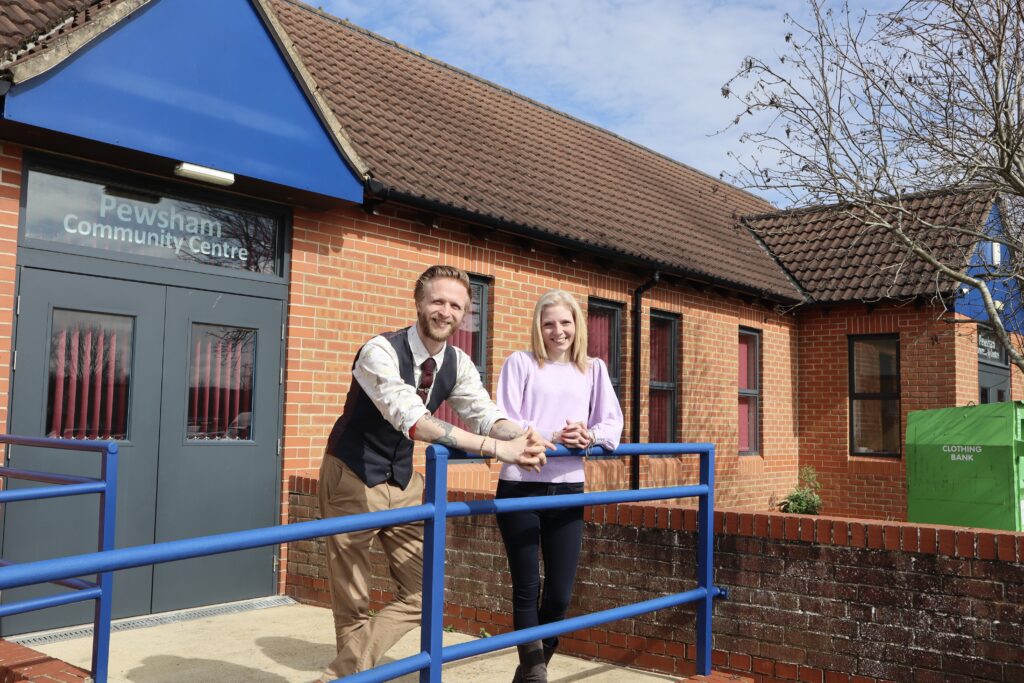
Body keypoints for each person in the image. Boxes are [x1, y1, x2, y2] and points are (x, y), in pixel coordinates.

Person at [316, 265, 553, 682]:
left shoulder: (457, 362)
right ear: (419, 303)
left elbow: (484, 415)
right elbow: (415, 421)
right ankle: (350, 676)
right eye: (438, 301)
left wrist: (525, 436)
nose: (446, 311)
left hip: (404, 480)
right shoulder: (379, 351)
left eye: (456, 306)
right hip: (352, 474)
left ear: (465, 315)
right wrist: (499, 450)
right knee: (352, 600)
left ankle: (340, 674)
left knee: (424, 592)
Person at [495, 290, 624, 683]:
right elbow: (503, 419)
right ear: (539, 326)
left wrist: (589, 436)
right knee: (526, 588)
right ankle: (535, 674)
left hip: (568, 488)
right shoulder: (520, 363)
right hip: (520, 487)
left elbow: (612, 423)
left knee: (560, 595)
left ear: (577, 325)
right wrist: (553, 434)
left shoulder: (593, 369)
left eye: (565, 322)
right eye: (549, 323)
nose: (558, 331)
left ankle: (531, 669)